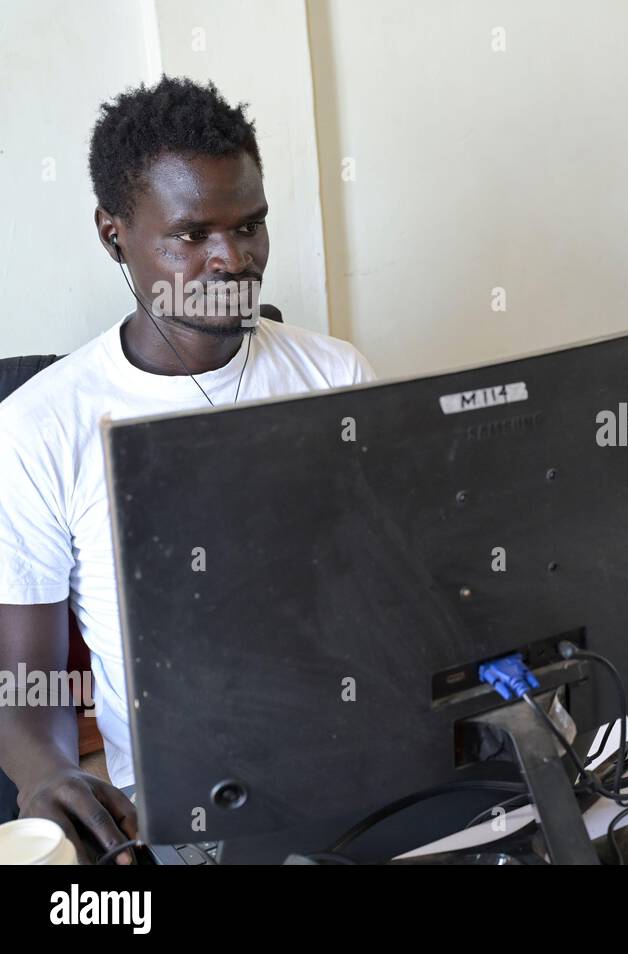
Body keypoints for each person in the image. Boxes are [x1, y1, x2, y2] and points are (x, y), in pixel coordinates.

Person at [0, 76, 376, 862]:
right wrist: (47, 776)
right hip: (190, 810)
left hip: (360, 762)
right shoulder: (41, 427)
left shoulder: (336, 377)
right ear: (114, 236)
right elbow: (27, 681)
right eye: (192, 235)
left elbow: (398, 594)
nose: (231, 260)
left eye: (250, 226)